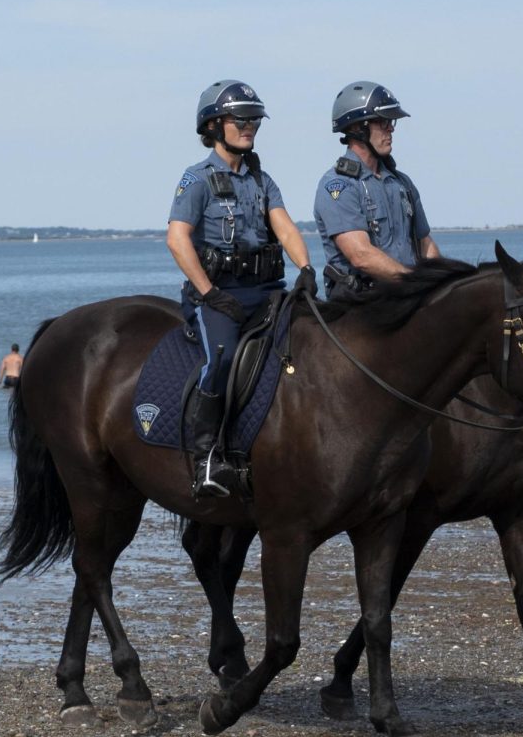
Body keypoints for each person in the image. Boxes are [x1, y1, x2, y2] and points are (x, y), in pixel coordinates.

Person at [166, 79, 314, 496]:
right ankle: (206, 459)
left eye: (254, 120)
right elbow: (178, 240)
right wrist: (209, 293)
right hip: (218, 295)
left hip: (267, 288)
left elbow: (283, 225)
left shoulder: (261, 180)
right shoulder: (196, 180)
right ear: (214, 126)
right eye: (241, 119)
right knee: (223, 358)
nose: (250, 126)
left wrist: (305, 267)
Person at [313, 80, 439, 299]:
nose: (390, 128)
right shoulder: (337, 186)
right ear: (356, 128)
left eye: (390, 122)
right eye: (382, 122)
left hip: (406, 297)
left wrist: (444, 284)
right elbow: (361, 256)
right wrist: (415, 284)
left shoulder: (402, 183)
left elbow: (426, 246)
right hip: (364, 304)